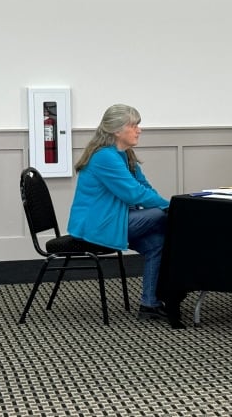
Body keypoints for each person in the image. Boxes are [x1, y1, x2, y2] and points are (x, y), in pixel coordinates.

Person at [68, 104, 170, 320]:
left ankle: (150, 304)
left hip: (114, 220)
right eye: (134, 125)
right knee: (162, 217)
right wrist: (171, 208)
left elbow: (144, 187)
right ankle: (180, 283)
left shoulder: (124, 154)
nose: (139, 130)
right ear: (116, 130)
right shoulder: (104, 157)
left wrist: (168, 205)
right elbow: (134, 194)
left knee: (158, 243)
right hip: (96, 225)